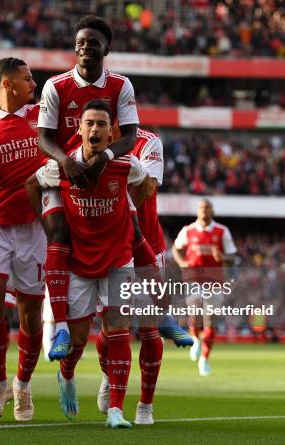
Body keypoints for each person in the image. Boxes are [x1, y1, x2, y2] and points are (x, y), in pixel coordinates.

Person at [37, 15, 191, 358]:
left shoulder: (121, 85)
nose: (85, 48)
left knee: (134, 230)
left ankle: (163, 312)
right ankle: (59, 325)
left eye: (92, 42)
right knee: (59, 233)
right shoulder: (55, 86)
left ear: (106, 48)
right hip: (63, 170)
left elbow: (131, 136)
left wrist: (104, 156)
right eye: (80, 42)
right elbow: (44, 138)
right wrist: (66, 161)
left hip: (103, 170)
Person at [27, 99, 152, 428]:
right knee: (78, 340)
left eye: (101, 124)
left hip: (117, 259)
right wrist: (52, 231)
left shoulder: (127, 164)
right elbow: (31, 185)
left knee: (118, 332)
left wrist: (127, 213)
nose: (95, 129)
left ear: (112, 133)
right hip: (79, 262)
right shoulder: (62, 166)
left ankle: (115, 411)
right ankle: (66, 376)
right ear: (80, 130)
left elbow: (145, 184)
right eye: (89, 123)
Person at [0, 57, 47, 422]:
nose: (34, 84)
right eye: (27, 79)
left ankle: (23, 383)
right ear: (7, 84)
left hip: (35, 228)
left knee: (31, 315)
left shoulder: (43, 115)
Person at [96, 127, 164, 425]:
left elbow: (147, 187)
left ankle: (145, 405)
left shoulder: (147, 142)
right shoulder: (85, 139)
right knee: (112, 328)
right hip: (110, 248)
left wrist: (111, 182)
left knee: (150, 330)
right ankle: (110, 374)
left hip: (147, 245)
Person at [172, 199, 237, 376]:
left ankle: (205, 359)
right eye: (201, 208)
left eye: (207, 208)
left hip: (214, 281)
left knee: (211, 323)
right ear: (197, 211)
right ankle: (195, 339)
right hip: (193, 279)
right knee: (194, 314)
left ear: (212, 211)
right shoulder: (188, 231)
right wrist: (181, 262)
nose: (204, 211)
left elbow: (233, 257)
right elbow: (176, 248)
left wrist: (222, 256)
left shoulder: (222, 231)